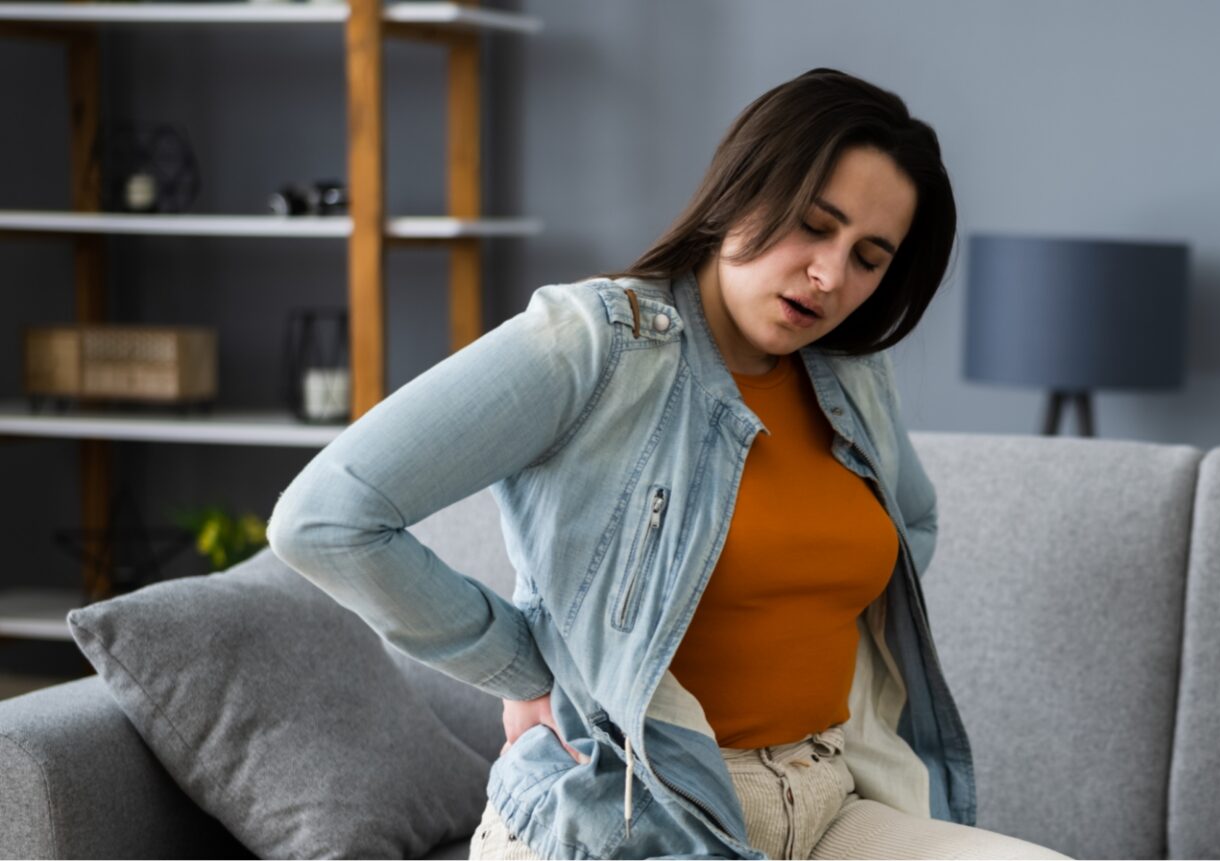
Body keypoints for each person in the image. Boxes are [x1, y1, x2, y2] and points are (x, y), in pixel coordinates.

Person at [266, 68, 1072, 860]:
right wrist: (523, 669)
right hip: (631, 816)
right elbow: (328, 518)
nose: (830, 276)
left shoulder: (852, 372)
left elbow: (913, 520)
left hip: (824, 802)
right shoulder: (597, 342)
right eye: (814, 224)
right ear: (745, 188)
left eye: (868, 256)